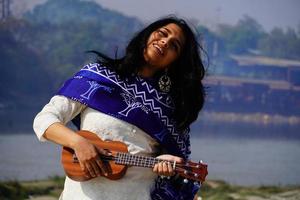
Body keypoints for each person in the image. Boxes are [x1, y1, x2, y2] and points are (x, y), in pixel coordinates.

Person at [33, 16, 206, 200]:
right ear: (147, 35)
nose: (165, 42)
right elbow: (44, 120)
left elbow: (174, 174)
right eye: (162, 34)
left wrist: (164, 168)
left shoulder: (170, 109)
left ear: (174, 62)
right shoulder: (98, 77)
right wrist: (78, 143)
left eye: (174, 46)